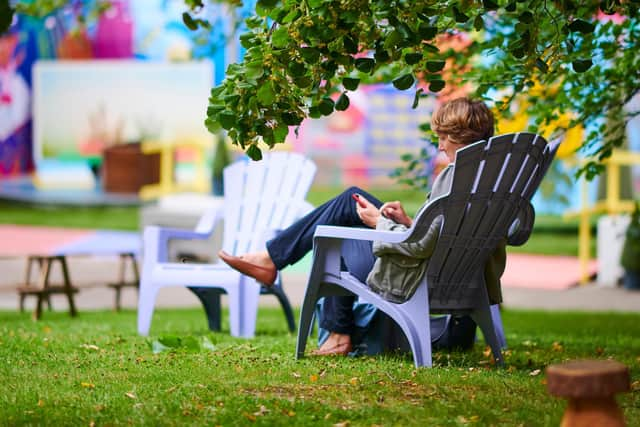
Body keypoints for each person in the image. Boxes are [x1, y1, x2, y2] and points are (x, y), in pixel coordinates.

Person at [219, 97, 505, 356]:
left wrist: (378, 222)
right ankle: (275, 265)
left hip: (414, 273)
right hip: (453, 274)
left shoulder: (456, 176)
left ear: (462, 135)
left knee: (341, 224)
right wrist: (407, 222)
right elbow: (447, 238)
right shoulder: (494, 180)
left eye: (445, 137)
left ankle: (323, 318)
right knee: (349, 203)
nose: (440, 145)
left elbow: (421, 246)